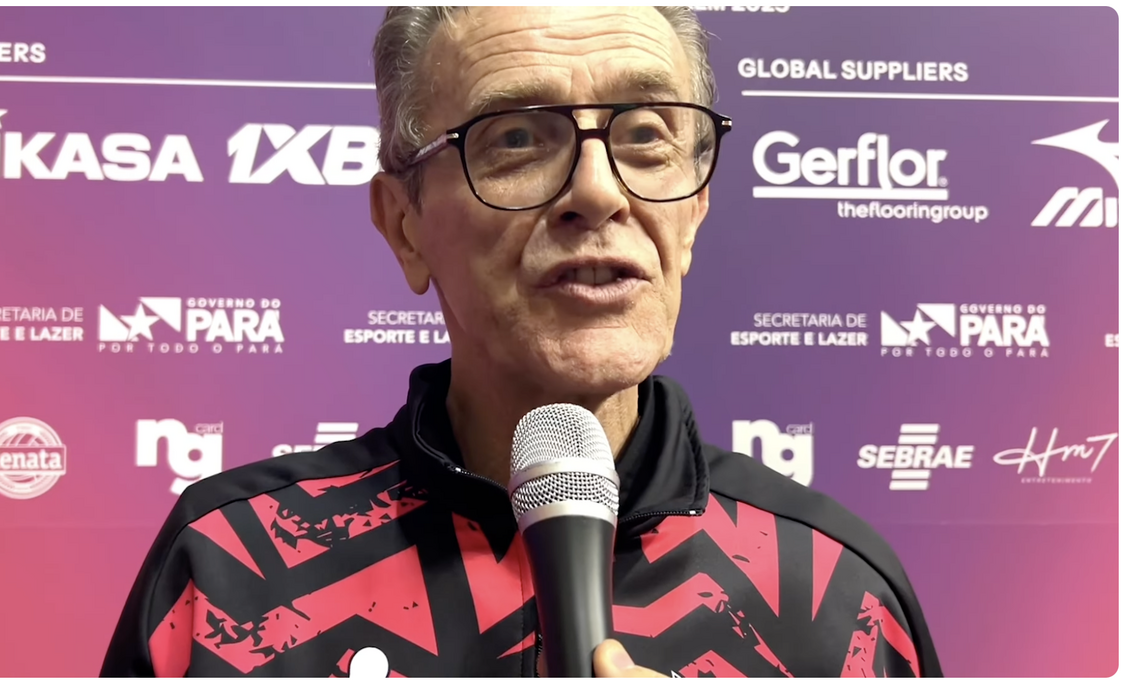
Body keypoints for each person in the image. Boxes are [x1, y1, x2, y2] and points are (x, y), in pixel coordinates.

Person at [101, 6, 942, 678]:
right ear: (404, 227)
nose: (597, 191)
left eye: (646, 136)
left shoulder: (836, 591)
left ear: (694, 213)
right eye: (515, 138)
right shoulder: (231, 567)